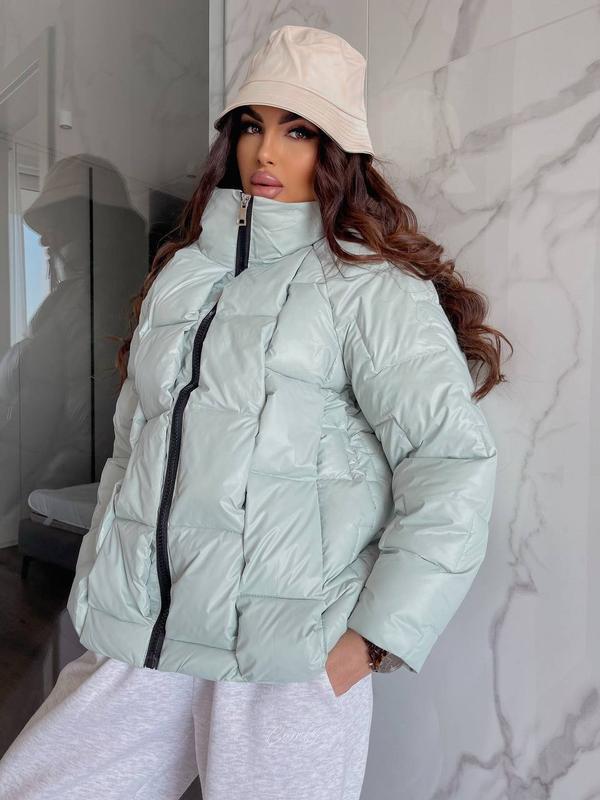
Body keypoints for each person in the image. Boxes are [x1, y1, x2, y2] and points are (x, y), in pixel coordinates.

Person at [0, 25, 510, 800]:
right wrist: (106, 579)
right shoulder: (181, 278)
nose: (266, 152)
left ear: (337, 150)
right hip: (149, 636)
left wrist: (373, 640)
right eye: (251, 126)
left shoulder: (369, 289)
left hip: (288, 656)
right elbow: (134, 447)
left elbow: (450, 465)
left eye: (297, 131)